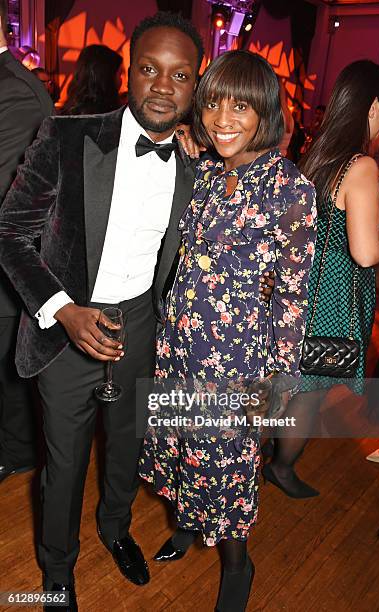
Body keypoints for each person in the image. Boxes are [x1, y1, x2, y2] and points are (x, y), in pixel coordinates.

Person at [0, 11, 205, 611]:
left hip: (142, 322)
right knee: (63, 464)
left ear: (196, 84)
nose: (163, 86)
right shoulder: (66, 137)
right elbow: (9, 231)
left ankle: (116, 528)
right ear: (130, 69)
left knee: (127, 443)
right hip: (67, 326)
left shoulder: (197, 163)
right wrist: (64, 311)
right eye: (149, 69)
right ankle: (57, 571)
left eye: (180, 75)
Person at [139, 50, 317, 612]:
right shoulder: (210, 171)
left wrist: (280, 378)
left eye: (240, 106)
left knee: (225, 460)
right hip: (180, 343)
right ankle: (190, 526)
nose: (223, 118)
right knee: (182, 442)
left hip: (235, 356)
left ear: (265, 111)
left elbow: (293, 289)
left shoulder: (292, 189)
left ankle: (238, 563)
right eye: (213, 102)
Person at [264, 60, 379, 498]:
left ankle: (268, 454)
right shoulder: (363, 167)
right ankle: (280, 467)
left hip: (303, 283)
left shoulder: (319, 152)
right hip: (333, 293)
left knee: (294, 383)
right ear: (373, 105)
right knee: (311, 392)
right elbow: (366, 251)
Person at [0, 0, 53, 484]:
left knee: (9, 372)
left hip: (9, 265)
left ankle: (17, 454)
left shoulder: (15, 93)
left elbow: (10, 200)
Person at [60, 44, 123, 115]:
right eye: (120, 74)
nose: (122, 80)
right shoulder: (110, 116)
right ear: (107, 78)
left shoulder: (70, 108)